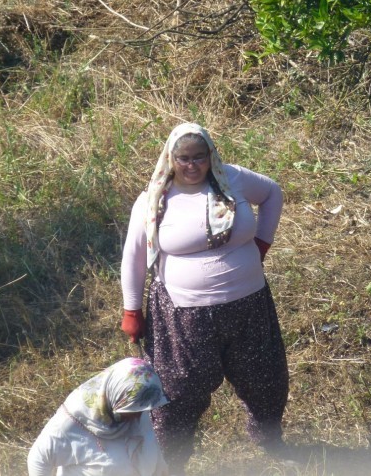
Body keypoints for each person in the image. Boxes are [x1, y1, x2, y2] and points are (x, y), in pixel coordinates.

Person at [119, 122, 288, 471]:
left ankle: (268, 440)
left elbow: (273, 193)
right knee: (179, 393)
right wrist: (132, 310)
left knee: (265, 378)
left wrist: (262, 243)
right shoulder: (153, 200)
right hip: (184, 315)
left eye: (200, 157)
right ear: (171, 158)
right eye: (184, 159)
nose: (192, 166)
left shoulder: (234, 179)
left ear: (211, 156)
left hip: (250, 304)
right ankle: (171, 461)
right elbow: (133, 256)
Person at [27, 357, 170, 476]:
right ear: (115, 397)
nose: (138, 417)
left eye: (142, 410)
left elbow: (149, 441)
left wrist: (161, 468)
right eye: (133, 411)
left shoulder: (135, 406)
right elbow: (38, 460)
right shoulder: (72, 423)